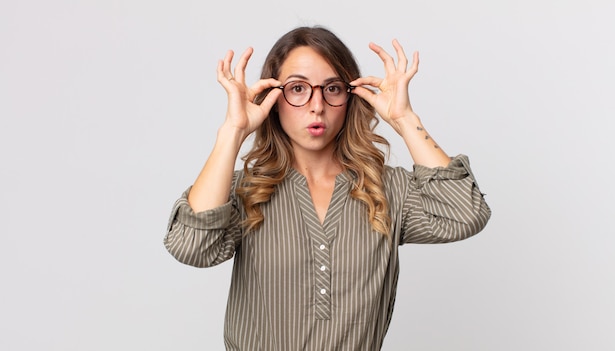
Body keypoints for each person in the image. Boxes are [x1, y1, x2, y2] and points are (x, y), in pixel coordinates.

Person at [164, 26, 491, 350]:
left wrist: (404, 118)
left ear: (351, 97)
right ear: (274, 100)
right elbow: (192, 247)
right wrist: (232, 132)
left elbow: (464, 214)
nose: (316, 104)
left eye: (332, 88)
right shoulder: (245, 191)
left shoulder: (386, 189)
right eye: (297, 88)